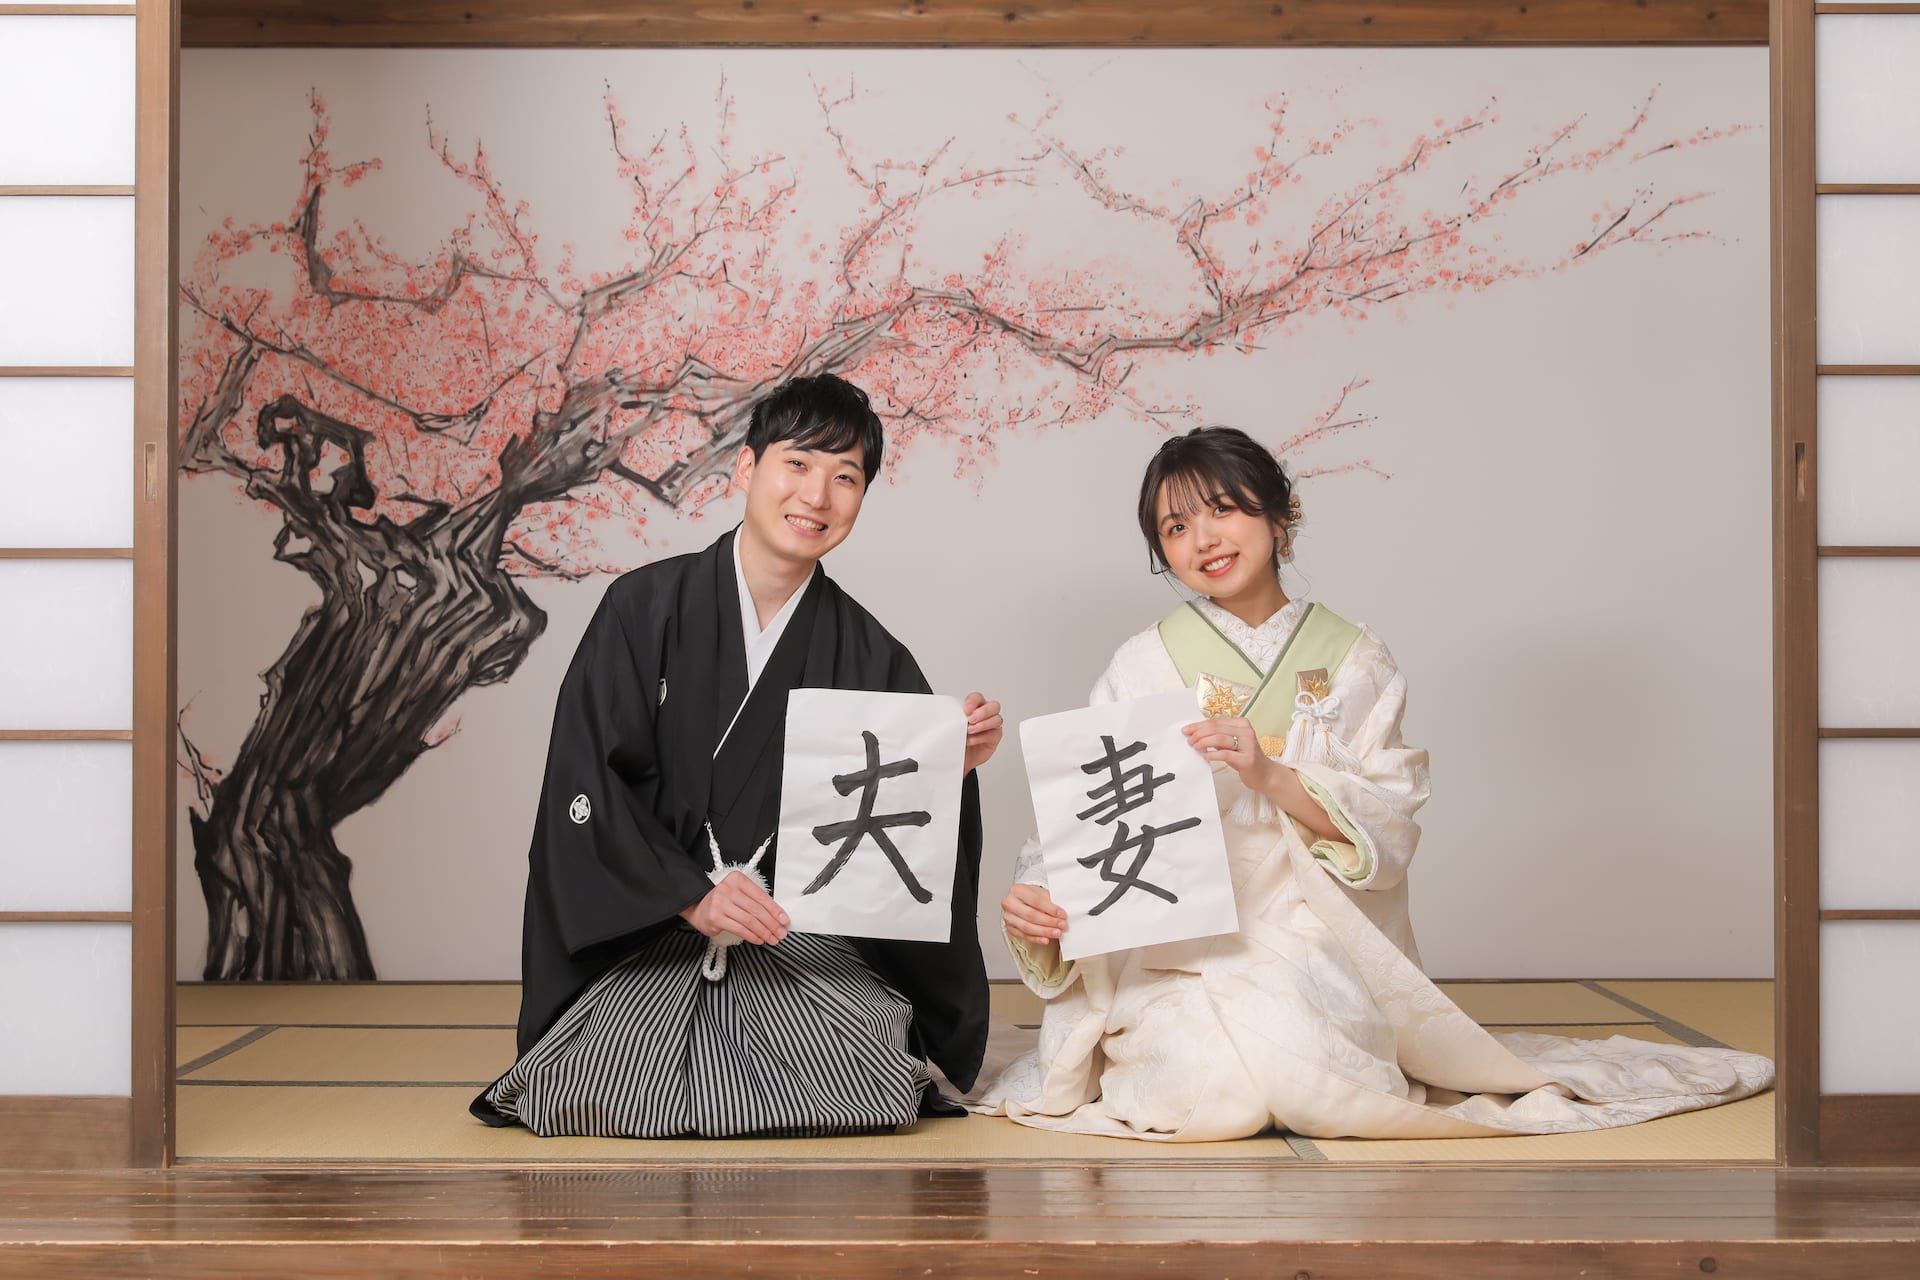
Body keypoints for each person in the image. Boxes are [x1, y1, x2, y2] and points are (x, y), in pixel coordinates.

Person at [976, 426, 1772, 1142]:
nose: (1203, 540)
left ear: (1279, 516)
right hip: (1177, 949)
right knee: (1207, 1097)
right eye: (1175, 527)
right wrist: (1041, 898)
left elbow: (1388, 821)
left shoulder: (1355, 658)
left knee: (1305, 1078)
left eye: (1223, 509)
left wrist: (1271, 774)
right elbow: (1090, 809)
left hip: (1312, 935)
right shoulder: (1143, 662)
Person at [474, 374, 1002, 1138]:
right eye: (798, 464)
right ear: (748, 467)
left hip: (797, 945)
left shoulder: (872, 653)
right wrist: (688, 894)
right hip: (650, 937)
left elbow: (892, 853)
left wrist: (947, 768)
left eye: (845, 477)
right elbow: (583, 785)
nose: (817, 496)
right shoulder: (642, 609)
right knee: (598, 1088)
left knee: (868, 1085)